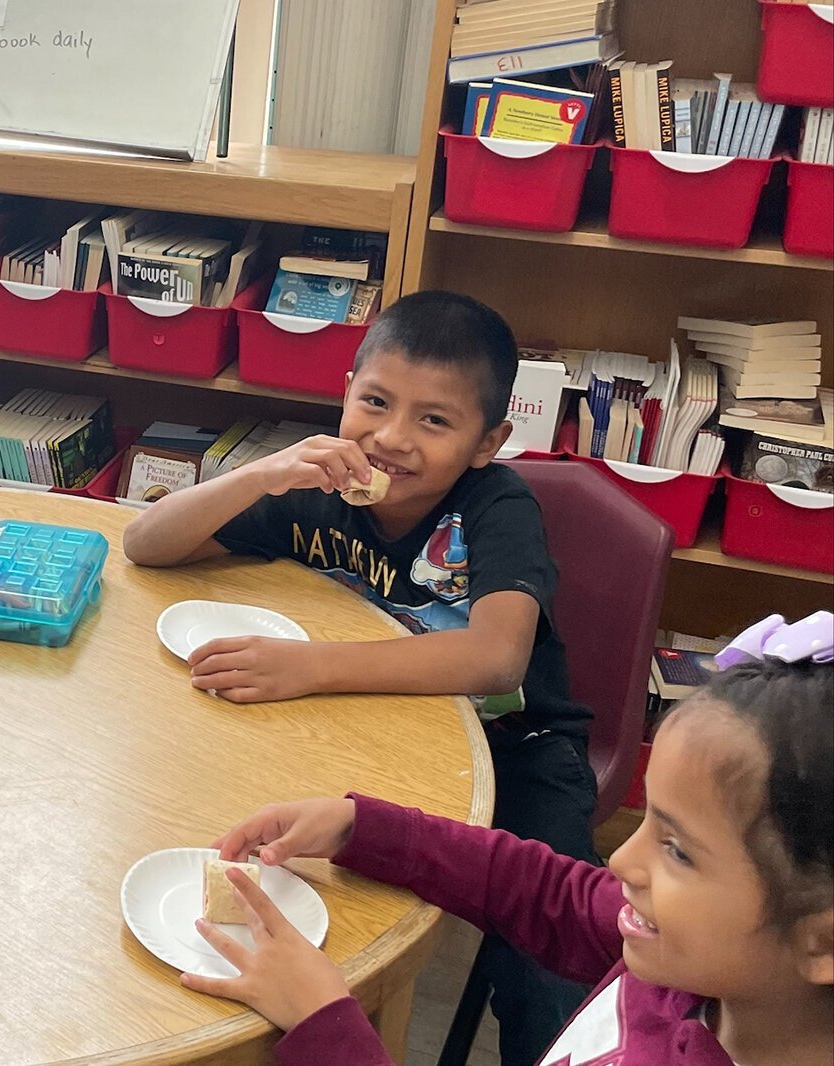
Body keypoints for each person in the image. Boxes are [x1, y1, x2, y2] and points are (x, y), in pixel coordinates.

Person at [122, 291, 596, 1060]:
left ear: (489, 440)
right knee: (236, 835)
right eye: (374, 402)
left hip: (518, 748)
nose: (391, 439)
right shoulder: (317, 486)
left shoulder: (496, 504)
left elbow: (497, 657)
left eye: (434, 420)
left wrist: (310, 666)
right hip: (366, 729)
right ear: (345, 391)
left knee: (550, 966)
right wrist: (263, 473)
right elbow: (147, 542)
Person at [183, 611, 833, 1066]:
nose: (624, 859)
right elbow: (542, 889)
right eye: (649, 824)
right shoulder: (696, 964)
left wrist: (326, 1023)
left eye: (678, 849)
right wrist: (364, 827)